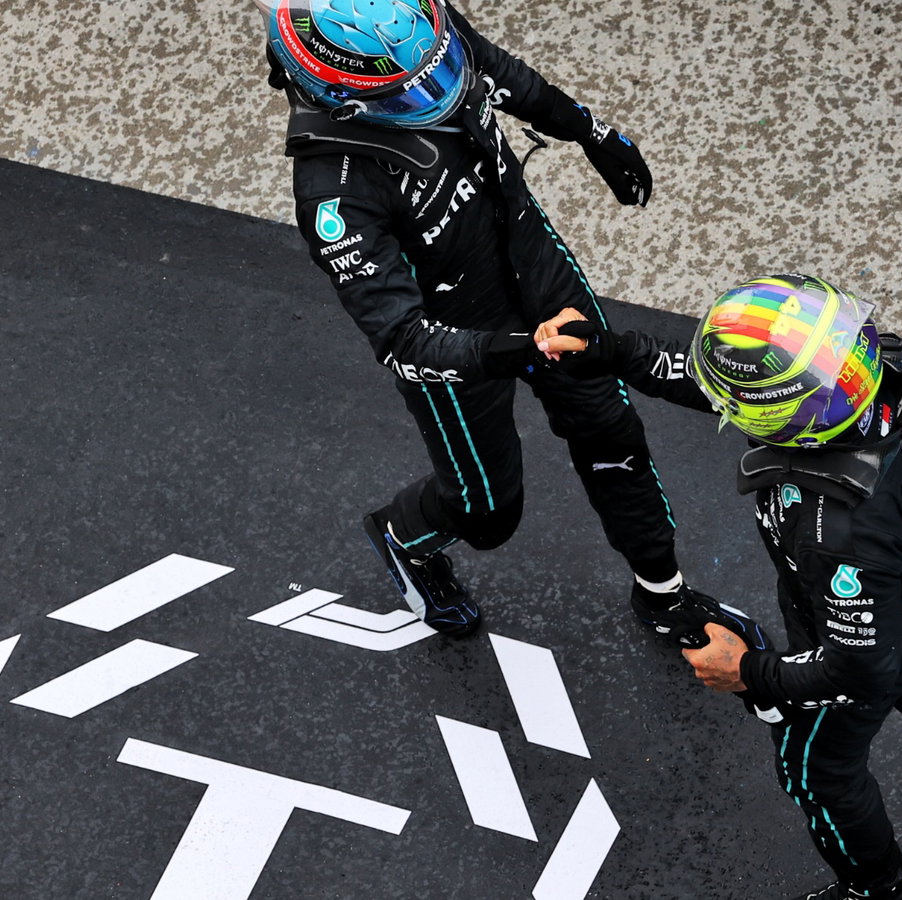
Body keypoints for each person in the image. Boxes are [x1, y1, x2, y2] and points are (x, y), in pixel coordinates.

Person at [535, 274, 902, 900]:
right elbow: (750, 389)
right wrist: (615, 352)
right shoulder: (873, 366)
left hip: (849, 629)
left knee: (818, 773)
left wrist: (751, 670)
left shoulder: (832, 530)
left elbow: (858, 670)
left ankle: (876, 890)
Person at [256, 0, 762, 649]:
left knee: (610, 426)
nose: (441, 88)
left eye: (436, 68)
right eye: (413, 87)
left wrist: (589, 131)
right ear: (344, 98)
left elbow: (493, 70)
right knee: (489, 513)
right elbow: (401, 341)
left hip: (531, 260)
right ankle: (403, 535)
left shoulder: (417, 28)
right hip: (459, 341)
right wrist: (518, 352)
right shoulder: (333, 194)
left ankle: (663, 596)